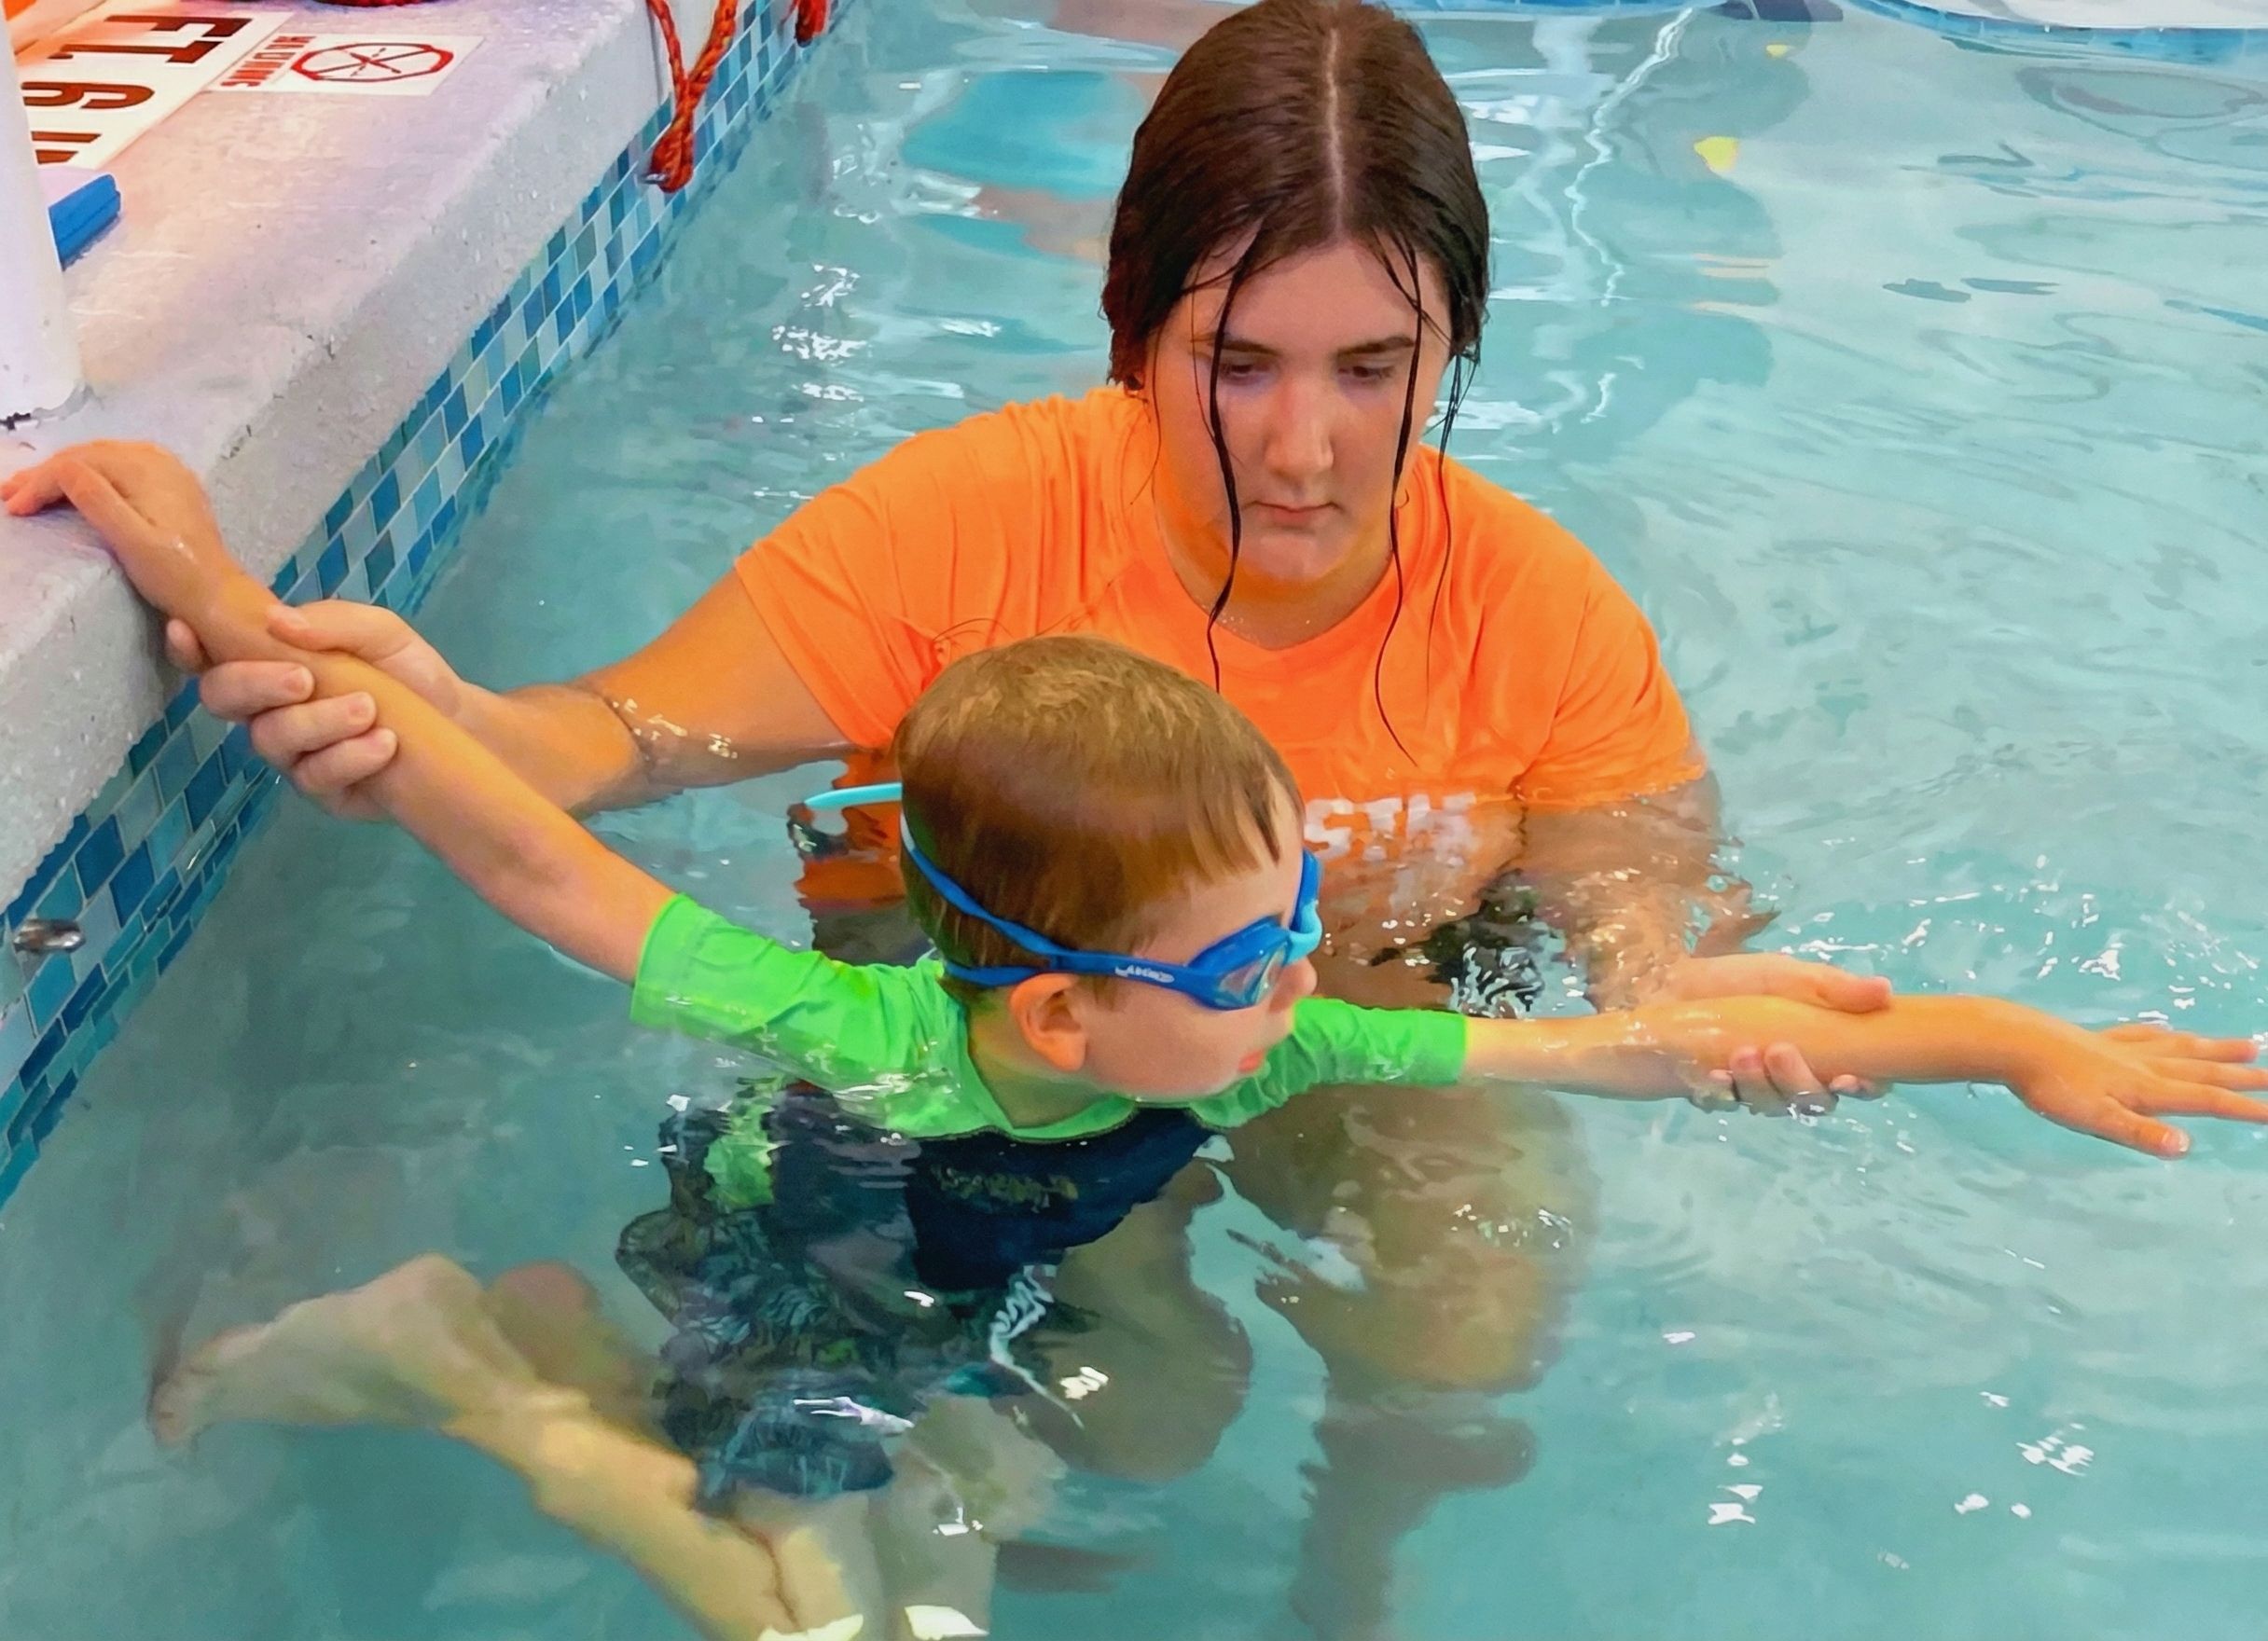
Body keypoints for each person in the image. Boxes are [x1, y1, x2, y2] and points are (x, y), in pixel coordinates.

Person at [16, 440, 2268, 1641]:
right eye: (1246, 960)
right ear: (1063, 1002)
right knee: (837, 1639)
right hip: (811, 1285)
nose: (1304, 982)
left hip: (984, 1289)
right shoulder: (857, 1025)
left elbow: (1629, 1051)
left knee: (1147, 1412)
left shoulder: (1260, 1045)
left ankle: (723, 1418)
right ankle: (457, 1358)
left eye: (1294, 927)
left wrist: (1996, 1039)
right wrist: (210, 578)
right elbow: (531, 856)